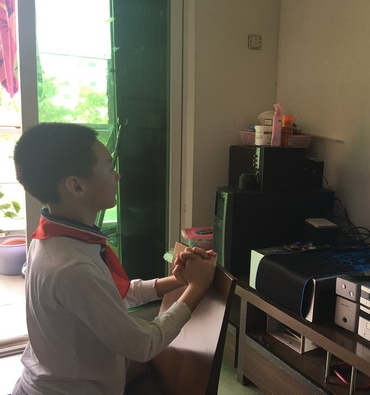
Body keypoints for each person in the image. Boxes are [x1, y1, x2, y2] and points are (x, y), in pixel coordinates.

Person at [11, 122, 216, 394]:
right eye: (109, 167)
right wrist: (197, 288)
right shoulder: (73, 267)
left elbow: (116, 293)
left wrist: (178, 280)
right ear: (76, 186)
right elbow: (143, 344)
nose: (117, 175)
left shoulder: (54, 239)